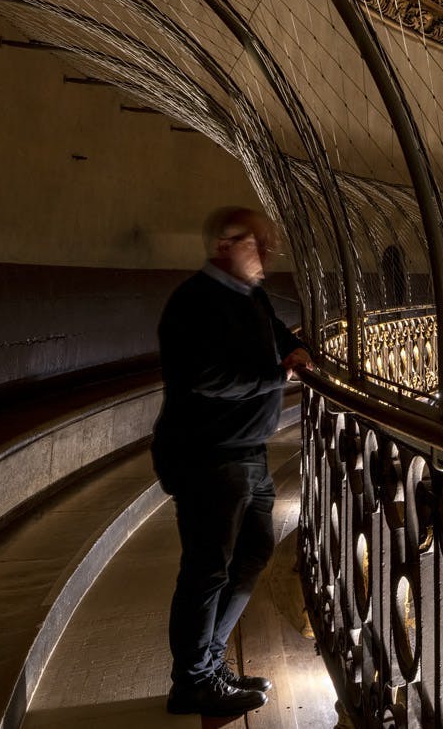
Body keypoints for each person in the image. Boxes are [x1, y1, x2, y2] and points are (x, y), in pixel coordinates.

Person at [153, 206, 313, 716]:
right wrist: (277, 376)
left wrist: (298, 352)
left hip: (247, 454)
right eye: (256, 242)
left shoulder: (254, 297)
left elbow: (283, 342)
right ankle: (192, 682)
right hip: (207, 455)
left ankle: (208, 662)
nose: (267, 251)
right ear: (225, 246)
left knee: (253, 554)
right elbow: (205, 377)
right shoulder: (192, 302)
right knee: (207, 569)